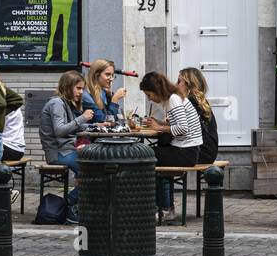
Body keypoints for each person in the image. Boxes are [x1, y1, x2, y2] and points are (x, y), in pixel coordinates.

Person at [139, 71, 202, 225]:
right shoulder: (172, 98)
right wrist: (159, 123)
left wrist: (159, 128)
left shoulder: (173, 99)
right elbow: (177, 124)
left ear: (157, 90)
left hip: (186, 151)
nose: (149, 98)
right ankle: (165, 208)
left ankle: (162, 208)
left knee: (145, 155)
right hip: (185, 149)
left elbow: (183, 128)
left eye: (149, 94)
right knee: (150, 155)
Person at [39, 70, 93, 222]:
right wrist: (82, 118)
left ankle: (75, 206)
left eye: (82, 89)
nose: (81, 93)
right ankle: (68, 203)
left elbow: (75, 127)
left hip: (67, 150)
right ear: (68, 87)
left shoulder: (64, 103)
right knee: (93, 174)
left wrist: (98, 125)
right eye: (78, 88)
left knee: (94, 167)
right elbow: (60, 130)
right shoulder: (56, 103)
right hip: (58, 153)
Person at [177, 67, 218, 165]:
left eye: (179, 82)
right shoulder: (200, 101)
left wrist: (161, 126)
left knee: (155, 154)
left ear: (188, 85)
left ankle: (166, 180)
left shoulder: (190, 102)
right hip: (209, 153)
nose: (175, 85)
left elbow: (181, 129)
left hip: (199, 153)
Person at [83, 59, 126, 124]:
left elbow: (116, 119)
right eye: (107, 75)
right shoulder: (86, 95)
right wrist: (114, 100)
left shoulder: (103, 93)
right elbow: (105, 121)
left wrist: (109, 97)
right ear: (96, 75)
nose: (111, 79)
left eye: (112, 75)